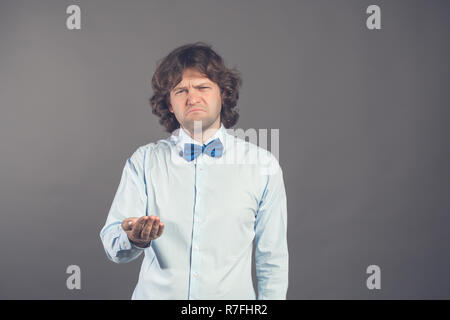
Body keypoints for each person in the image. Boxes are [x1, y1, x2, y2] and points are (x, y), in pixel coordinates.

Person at [99, 42, 289, 300]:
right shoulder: (143, 161)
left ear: (223, 94)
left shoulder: (263, 166)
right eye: (180, 91)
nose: (192, 98)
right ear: (169, 104)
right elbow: (113, 244)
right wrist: (134, 238)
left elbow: (272, 260)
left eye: (203, 87)